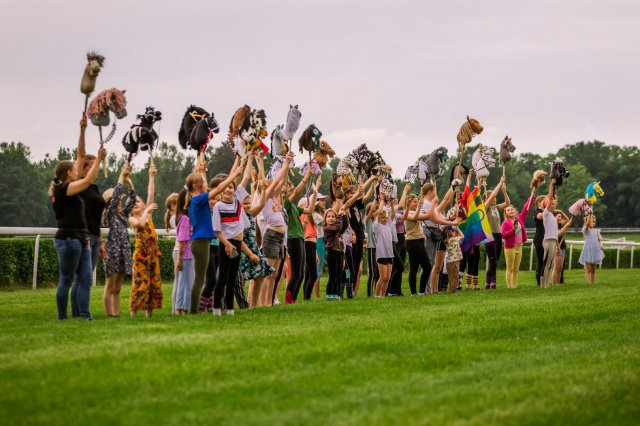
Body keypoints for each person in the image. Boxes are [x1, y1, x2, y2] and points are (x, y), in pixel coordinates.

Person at [50, 113, 106, 320]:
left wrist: (82, 130)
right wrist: (99, 159)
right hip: (69, 238)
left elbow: (80, 154)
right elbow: (88, 175)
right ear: (68, 174)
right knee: (66, 279)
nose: (78, 167)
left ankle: (84, 316)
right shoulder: (65, 189)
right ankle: (63, 317)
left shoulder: (67, 186)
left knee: (84, 277)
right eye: (74, 168)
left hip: (81, 238)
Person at [185, 158, 243, 314]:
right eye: (204, 183)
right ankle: (194, 311)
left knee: (203, 278)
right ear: (197, 186)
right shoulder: (198, 199)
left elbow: (203, 184)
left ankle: (198, 309)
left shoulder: (194, 198)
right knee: (201, 280)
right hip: (201, 242)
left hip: (200, 241)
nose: (207, 185)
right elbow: (220, 187)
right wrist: (234, 175)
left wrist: (200, 169)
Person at [259, 152, 295, 306]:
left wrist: (286, 168)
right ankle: (264, 303)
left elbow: (280, 182)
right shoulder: (265, 196)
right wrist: (285, 163)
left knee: (274, 273)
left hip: (280, 238)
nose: (270, 183)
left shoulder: (275, 197)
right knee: (268, 272)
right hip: (272, 236)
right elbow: (275, 183)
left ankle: (269, 302)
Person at [102, 165, 136, 317]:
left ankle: (116, 315)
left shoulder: (122, 216)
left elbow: (133, 200)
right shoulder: (109, 215)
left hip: (123, 255)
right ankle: (110, 314)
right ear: (109, 203)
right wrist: (121, 176)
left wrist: (129, 182)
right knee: (110, 287)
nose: (120, 202)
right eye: (116, 201)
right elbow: (116, 197)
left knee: (117, 288)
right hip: (112, 255)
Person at [128, 163, 162, 317]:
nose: (136, 204)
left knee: (153, 284)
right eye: (133, 204)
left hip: (153, 255)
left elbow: (150, 192)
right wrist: (147, 210)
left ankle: (149, 314)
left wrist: (151, 176)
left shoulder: (147, 214)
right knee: (140, 284)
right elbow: (140, 224)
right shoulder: (133, 219)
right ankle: (133, 313)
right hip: (141, 256)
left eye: (138, 202)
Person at [75, 152, 106, 317]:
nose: (98, 169)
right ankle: (83, 314)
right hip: (83, 236)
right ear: (84, 169)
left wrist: (101, 241)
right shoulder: (78, 187)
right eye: (95, 166)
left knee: (83, 277)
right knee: (83, 278)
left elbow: (96, 217)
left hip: (94, 236)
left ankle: (78, 313)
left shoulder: (93, 188)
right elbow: (79, 154)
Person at [283, 168, 317, 304]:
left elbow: (309, 210)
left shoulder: (294, 208)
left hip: (299, 238)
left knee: (301, 274)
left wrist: (314, 194)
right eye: (290, 190)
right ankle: (288, 300)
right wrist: (307, 175)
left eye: (291, 189)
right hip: (293, 238)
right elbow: (297, 191)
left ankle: (293, 300)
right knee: (296, 273)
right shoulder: (285, 204)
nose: (292, 191)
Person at [501, 187, 536, 289]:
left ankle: (514, 286)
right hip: (510, 248)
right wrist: (513, 230)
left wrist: (532, 195)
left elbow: (526, 208)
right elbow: (504, 235)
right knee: (510, 268)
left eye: (512, 209)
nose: (511, 210)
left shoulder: (519, 218)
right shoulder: (505, 223)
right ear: (506, 213)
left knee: (516, 269)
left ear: (515, 211)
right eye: (508, 210)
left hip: (519, 247)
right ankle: (509, 287)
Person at [401, 190, 432, 296]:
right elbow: (420, 217)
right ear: (408, 203)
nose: (416, 203)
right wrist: (420, 206)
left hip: (419, 241)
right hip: (412, 242)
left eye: (417, 201)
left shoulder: (414, 211)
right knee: (414, 267)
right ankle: (414, 293)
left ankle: (421, 292)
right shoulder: (407, 213)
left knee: (427, 267)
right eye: (415, 201)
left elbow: (427, 214)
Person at [483, 176, 510, 289]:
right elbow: (492, 195)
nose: (495, 199)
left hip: (498, 235)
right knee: (492, 259)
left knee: (495, 260)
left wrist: (504, 192)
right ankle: (489, 282)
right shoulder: (486, 207)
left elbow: (508, 203)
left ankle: (491, 281)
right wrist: (500, 182)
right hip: (489, 235)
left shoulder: (495, 207)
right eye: (492, 198)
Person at [300, 178, 322, 301]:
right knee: (313, 275)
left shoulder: (310, 216)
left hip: (311, 244)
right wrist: (316, 190)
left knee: (309, 274)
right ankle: (307, 298)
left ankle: (305, 298)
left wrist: (316, 253)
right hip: (308, 243)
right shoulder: (304, 215)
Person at [174, 189, 194, 315]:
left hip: (186, 255)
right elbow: (182, 240)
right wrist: (180, 259)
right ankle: (185, 308)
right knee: (188, 283)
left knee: (182, 283)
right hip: (186, 255)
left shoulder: (183, 217)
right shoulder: (185, 219)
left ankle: (179, 308)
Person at [323, 206, 349, 300]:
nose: (331, 218)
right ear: (325, 219)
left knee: (338, 276)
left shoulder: (337, 228)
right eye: (329, 216)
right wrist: (339, 215)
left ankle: (336, 295)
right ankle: (329, 295)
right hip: (331, 252)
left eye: (333, 216)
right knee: (333, 275)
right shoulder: (327, 229)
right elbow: (337, 228)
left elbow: (345, 226)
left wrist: (344, 214)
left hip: (339, 253)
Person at [372, 195, 394, 297]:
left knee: (388, 277)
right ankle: (377, 296)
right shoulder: (377, 227)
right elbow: (380, 212)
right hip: (381, 254)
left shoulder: (388, 226)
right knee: (383, 277)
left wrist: (392, 205)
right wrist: (381, 200)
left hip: (390, 254)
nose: (384, 219)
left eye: (386, 218)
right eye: (383, 218)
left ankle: (383, 295)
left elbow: (392, 216)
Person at [540, 179, 559, 289]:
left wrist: (557, 243)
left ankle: (546, 284)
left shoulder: (552, 215)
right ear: (547, 204)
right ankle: (543, 285)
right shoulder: (546, 213)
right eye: (552, 203)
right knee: (546, 263)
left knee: (551, 264)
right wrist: (551, 184)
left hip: (553, 241)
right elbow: (551, 197)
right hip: (547, 241)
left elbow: (554, 197)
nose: (554, 205)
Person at [164, 193, 179, 314]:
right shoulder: (174, 218)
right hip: (179, 251)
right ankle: (175, 309)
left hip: (179, 250)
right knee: (178, 281)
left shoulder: (175, 217)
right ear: (173, 206)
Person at [579, 214, 605, 284]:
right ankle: (588, 283)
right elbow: (587, 225)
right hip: (588, 250)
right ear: (587, 222)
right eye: (590, 222)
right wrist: (590, 214)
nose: (592, 223)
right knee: (588, 269)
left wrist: (601, 245)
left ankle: (593, 283)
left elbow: (599, 240)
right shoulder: (585, 229)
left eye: (593, 222)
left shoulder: (597, 231)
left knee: (593, 269)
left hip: (595, 250)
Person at [312, 196, 328, 298]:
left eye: (324, 200)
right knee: (318, 268)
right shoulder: (315, 215)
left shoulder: (321, 213)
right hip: (319, 241)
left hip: (324, 241)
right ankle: (317, 295)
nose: (323, 202)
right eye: (321, 200)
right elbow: (325, 223)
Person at [364, 202, 379, 297]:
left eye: (375, 211)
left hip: (378, 249)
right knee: (372, 273)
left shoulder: (377, 222)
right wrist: (375, 199)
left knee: (377, 273)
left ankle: (377, 293)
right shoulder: (367, 221)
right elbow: (370, 214)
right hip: (370, 248)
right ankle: (369, 294)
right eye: (373, 211)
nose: (375, 213)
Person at [552, 211, 572, 285]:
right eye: (558, 217)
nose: (560, 218)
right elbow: (558, 235)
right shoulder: (552, 226)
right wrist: (566, 227)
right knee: (556, 267)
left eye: (560, 217)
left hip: (562, 246)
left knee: (560, 268)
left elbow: (567, 220)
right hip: (556, 247)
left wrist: (561, 212)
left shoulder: (560, 224)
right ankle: (554, 284)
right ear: (553, 218)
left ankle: (558, 283)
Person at [444, 225, 464, 293]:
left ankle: (452, 291)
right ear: (449, 232)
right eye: (453, 231)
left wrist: (456, 229)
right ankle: (453, 292)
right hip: (453, 261)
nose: (454, 232)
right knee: (454, 278)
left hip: (453, 261)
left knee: (452, 278)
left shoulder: (450, 239)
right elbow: (462, 236)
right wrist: (457, 228)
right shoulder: (451, 239)